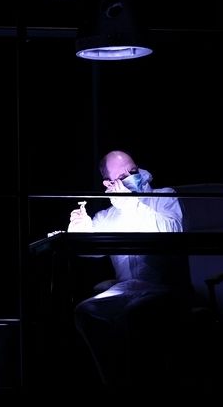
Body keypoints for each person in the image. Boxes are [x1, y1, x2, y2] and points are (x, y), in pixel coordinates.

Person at [67, 150, 192, 388]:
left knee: (135, 314)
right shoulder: (108, 216)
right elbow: (89, 251)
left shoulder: (164, 197)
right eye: (122, 176)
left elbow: (173, 231)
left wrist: (133, 206)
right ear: (109, 184)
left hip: (165, 288)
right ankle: (113, 382)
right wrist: (81, 230)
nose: (132, 177)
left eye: (133, 171)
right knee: (86, 312)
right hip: (127, 289)